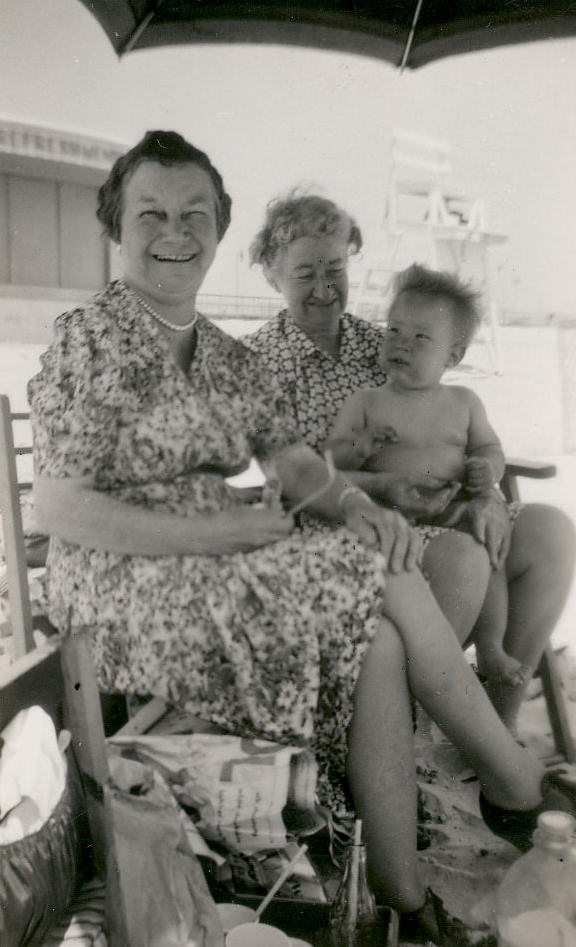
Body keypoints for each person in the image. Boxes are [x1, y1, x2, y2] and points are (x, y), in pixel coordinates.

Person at [28, 134, 576, 921]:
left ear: (219, 230)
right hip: (121, 594)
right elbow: (59, 507)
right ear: (116, 226)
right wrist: (221, 534)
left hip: (215, 576)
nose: (175, 231)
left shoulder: (221, 354)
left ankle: (404, 893)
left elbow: (291, 463)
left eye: (195, 214)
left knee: (380, 630)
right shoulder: (89, 338)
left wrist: (356, 505)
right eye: (152, 213)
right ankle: (512, 777)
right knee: (373, 573)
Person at [244, 192, 576, 730]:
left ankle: (498, 726)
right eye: (304, 273)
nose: (325, 288)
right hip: (335, 530)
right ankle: (413, 740)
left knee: (550, 533)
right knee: (464, 559)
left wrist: (485, 494)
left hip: (434, 511)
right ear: (271, 274)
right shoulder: (257, 366)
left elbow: (449, 427)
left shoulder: (388, 339)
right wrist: (379, 485)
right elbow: (293, 480)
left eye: (336, 268)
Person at [324, 263, 531, 694]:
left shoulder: (464, 401)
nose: (402, 344)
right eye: (394, 330)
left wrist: (485, 469)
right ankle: (432, 676)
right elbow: (333, 461)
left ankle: (490, 646)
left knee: (488, 544)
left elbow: (490, 448)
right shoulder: (366, 402)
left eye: (421, 337)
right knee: (470, 550)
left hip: (456, 506)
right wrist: (361, 446)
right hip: (396, 520)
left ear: (452, 357)